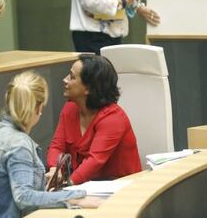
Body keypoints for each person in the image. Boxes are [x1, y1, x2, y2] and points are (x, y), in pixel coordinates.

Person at [0, 71, 103, 218]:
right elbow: (24, 198)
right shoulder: (19, 145)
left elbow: (5, 187)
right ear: (38, 108)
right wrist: (74, 197)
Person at [46, 54, 142, 185]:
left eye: (72, 77)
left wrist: (68, 187)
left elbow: (94, 161)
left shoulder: (113, 118)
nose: (65, 80)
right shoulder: (70, 108)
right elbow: (57, 146)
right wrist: (54, 169)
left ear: (89, 88)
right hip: (85, 186)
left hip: (120, 187)